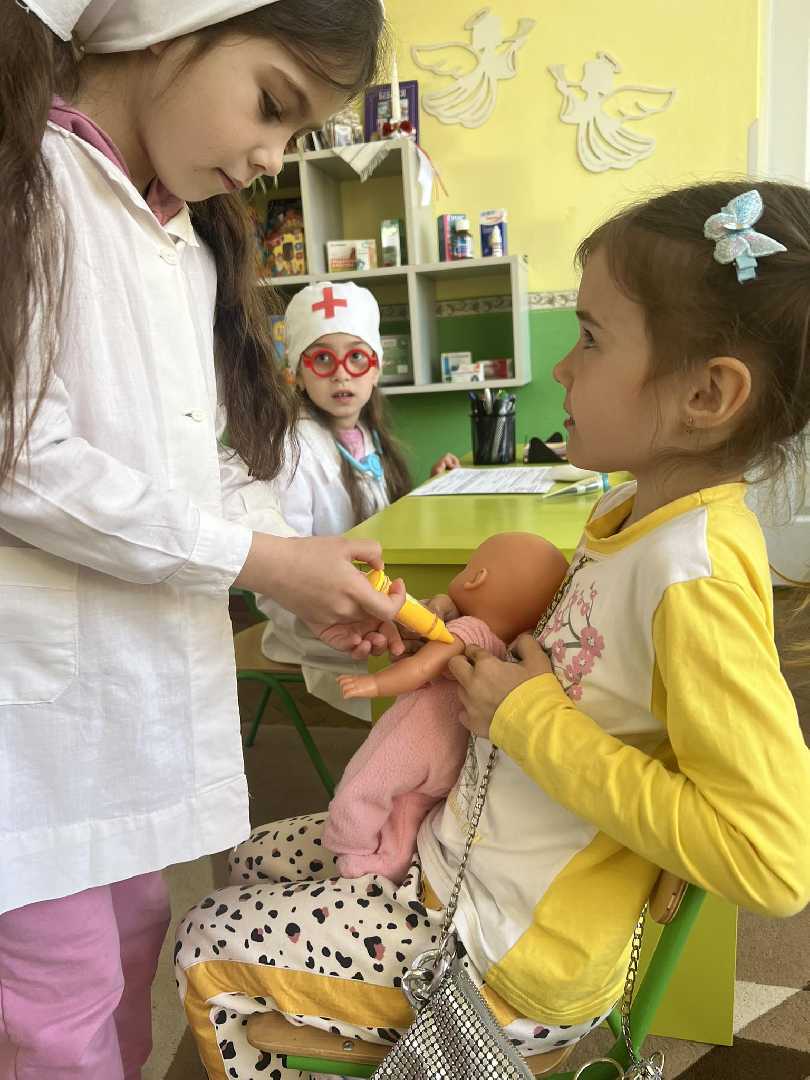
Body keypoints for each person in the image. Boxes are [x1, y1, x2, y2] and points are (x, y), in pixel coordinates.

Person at [175, 181, 810, 1080]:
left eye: (590, 338)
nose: (561, 369)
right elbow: (584, 673)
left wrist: (523, 717)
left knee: (203, 945)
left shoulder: (693, 575)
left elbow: (771, 859)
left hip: (503, 955)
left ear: (707, 394)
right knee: (248, 861)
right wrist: (451, 638)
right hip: (460, 862)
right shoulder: (633, 516)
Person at [0, 3, 405, 1077]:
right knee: (56, 1009)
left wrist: (302, 573)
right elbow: (20, 455)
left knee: (129, 959)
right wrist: (262, 560)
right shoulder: (31, 184)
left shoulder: (180, 242)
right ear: (171, 26)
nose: (272, 155)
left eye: (298, 133)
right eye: (273, 104)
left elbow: (202, 463)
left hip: (118, 709)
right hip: (27, 722)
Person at [254, 281, 460, 720]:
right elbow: (282, 566)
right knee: (436, 663)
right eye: (322, 359)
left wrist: (430, 487)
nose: (342, 375)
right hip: (314, 620)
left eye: (356, 358)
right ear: (297, 373)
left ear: (375, 370)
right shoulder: (291, 448)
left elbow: (381, 520)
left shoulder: (366, 435)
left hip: (366, 594)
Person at [325, 532, 568, 883]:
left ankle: (350, 848)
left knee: (367, 781)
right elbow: (435, 618)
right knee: (410, 804)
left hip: (420, 734)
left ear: (475, 578)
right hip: (452, 747)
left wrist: (375, 684)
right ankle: (390, 860)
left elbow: (422, 667)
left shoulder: (469, 629)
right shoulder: (502, 648)